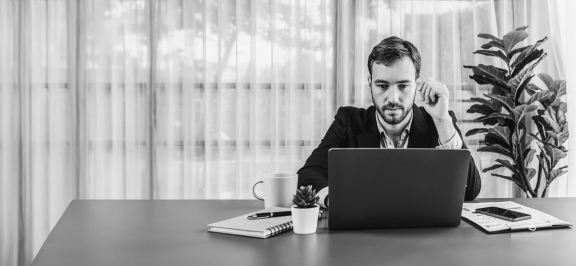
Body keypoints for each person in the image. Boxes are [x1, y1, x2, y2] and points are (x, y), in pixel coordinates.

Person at [297, 36, 481, 208]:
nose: (393, 98)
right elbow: (308, 175)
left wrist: (442, 120)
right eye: (383, 86)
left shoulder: (439, 121)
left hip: (424, 235)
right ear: (370, 83)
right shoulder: (348, 122)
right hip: (363, 236)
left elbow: (470, 191)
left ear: (417, 83)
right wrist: (336, 200)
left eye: (403, 86)